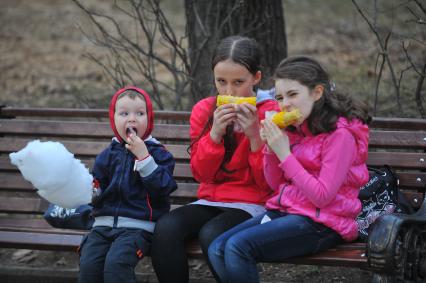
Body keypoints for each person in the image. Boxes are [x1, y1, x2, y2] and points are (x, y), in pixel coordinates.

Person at [207, 56, 370, 283]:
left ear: (317, 92)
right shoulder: (296, 128)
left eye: (293, 94)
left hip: (324, 223)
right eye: (280, 97)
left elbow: (322, 197)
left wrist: (285, 153)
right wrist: (271, 150)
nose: (285, 104)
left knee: (237, 247)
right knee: (217, 248)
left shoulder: (340, 136)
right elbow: (276, 185)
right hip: (288, 212)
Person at [151, 35, 279, 283]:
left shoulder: (270, 112)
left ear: (257, 78)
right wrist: (215, 134)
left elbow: (268, 184)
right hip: (211, 198)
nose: (229, 91)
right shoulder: (203, 110)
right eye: (221, 82)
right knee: (166, 228)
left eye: (238, 82)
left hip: (255, 202)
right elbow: (202, 174)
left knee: (213, 235)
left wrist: (254, 135)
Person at [78, 86, 177, 283]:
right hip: (102, 226)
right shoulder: (107, 155)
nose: (132, 119)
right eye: (124, 113)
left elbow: (163, 190)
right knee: (89, 266)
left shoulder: (158, 154)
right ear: (113, 120)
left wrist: (144, 158)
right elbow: (97, 189)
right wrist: (89, 190)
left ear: (149, 119)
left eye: (139, 113)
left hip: (138, 228)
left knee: (116, 265)